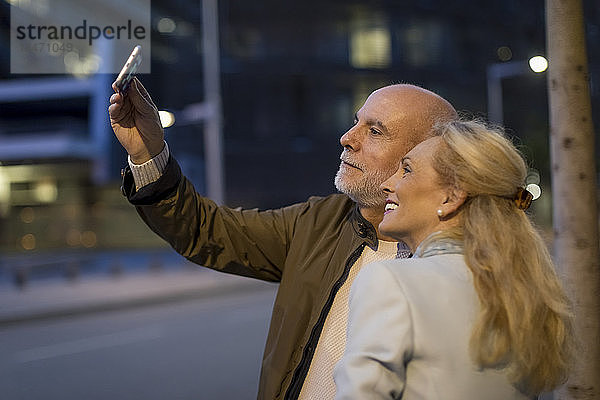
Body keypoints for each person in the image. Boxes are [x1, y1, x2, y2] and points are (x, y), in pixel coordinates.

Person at [108, 78, 457, 399]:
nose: (348, 138)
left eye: (375, 131)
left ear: (427, 158)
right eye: (356, 122)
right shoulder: (317, 223)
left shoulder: (468, 263)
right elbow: (203, 229)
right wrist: (147, 155)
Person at [333, 120, 574, 399]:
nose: (388, 184)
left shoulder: (391, 281)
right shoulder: (524, 295)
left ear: (452, 196)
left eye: (407, 170)